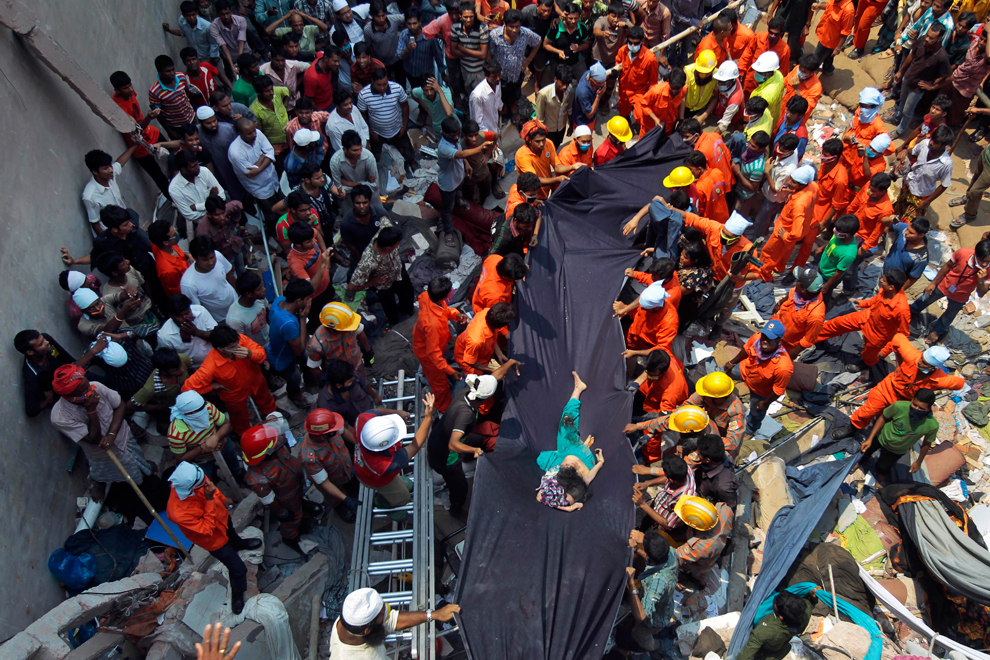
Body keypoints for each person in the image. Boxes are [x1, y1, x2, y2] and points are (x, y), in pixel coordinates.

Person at [167, 462, 261, 615]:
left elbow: (209, 485)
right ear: (190, 489)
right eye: (201, 485)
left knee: (232, 535)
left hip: (222, 518)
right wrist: (210, 500)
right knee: (238, 569)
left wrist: (222, 499)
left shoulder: (194, 476)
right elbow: (207, 530)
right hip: (214, 541)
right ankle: (237, 594)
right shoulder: (177, 513)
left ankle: (238, 543)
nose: (205, 483)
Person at [50, 365, 151, 484]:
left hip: (124, 437)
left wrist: (111, 435)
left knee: (138, 459)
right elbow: (93, 438)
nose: (90, 390)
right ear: (70, 395)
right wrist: (91, 411)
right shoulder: (60, 417)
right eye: (84, 390)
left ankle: (145, 471)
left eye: (88, 385)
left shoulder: (97, 387)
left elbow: (120, 405)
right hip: (103, 454)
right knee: (119, 476)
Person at [848, 338, 962, 434]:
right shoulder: (912, 355)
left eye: (924, 363)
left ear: (933, 368)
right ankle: (852, 427)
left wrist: (936, 387)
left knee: (893, 424)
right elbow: (898, 338)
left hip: (902, 402)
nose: (919, 362)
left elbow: (960, 383)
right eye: (921, 359)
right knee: (867, 411)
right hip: (887, 389)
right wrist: (885, 354)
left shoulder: (939, 379)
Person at [182, 324, 277, 432]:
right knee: (239, 418)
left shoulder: (239, 340)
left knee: (265, 400)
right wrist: (212, 386)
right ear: (220, 349)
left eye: (237, 344)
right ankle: (242, 433)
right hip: (235, 396)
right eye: (232, 347)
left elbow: (262, 355)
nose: (238, 347)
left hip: (256, 381)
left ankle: (272, 413)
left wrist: (250, 353)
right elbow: (187, 389)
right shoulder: (210, 366)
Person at [535, 372, 605, 512]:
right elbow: (588, 477)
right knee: (567, 421)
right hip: (581, 457)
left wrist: (568, 508)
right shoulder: (576, 485)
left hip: (567, 459)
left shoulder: (552, 485)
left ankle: (568, 449)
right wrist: (600, 462)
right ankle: (578, 389)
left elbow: (539, 497)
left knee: (541, 458)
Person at [818, 268, 911, 371]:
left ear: (891, 287)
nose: (881, 280)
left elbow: (902, 335)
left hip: (877, 336)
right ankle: (815, 335)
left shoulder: (902, 309)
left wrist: (885, 351)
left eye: (884, 281)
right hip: (867, 316)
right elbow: (876, 299)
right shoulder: (885, 290)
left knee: (869, 355)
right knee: (837, 323)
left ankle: (866, 363)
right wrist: (865, 303)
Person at [332, 588, 460, 659]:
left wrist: (433, 615)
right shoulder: (350, 656)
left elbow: (393, 620)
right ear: (367, 630)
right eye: (383, 615)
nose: (387, 614)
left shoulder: (350, 621)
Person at [354, 396, 433, 509]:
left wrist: (396, 413)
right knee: (403, 498)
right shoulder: (383, 464)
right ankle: (380, 502)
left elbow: (376, 412)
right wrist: (428, 418)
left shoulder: (362, 420)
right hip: (377, 481)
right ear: (383, 446)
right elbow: (414, 446)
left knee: (403, 484)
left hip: (362, 469)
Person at [724, 320, 793, 438]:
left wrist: (766, 403)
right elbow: (746, 350)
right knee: (722, 373)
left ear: (779, 341)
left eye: (770, 339)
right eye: (764, 337)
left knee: (756, 412)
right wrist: (732, 362)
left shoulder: (783, 367)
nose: (764, 341)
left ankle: (750, 429)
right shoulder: (757, 338)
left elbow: (778, 391)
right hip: (745, 370)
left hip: (760, 390)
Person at [912, 240, 990, 343]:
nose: (984, 264)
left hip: (961, 295)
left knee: (950, 314)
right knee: (926, 298)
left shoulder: (988, 270)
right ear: (976, 254)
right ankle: (912, 312)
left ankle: (936, 331)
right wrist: (933, 282)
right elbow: (948, 266)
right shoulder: (963, 253)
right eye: (982, 260)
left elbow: (981, 293)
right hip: (945, 284)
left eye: (988, 261)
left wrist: (981, 280)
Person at [15, 331, 106, 418]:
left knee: (106, 384)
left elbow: (69, 361)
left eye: (43, 339)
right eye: (41, 344)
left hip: (77, 377)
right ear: (30, 352)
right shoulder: (32, 374)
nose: (46, 342)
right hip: (66, 395)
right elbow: (31, 410)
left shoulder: (47, 341)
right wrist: (48, 400)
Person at [109, 72, 171, 198]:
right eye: (126, 88)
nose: (131, 89)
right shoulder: (120, 109)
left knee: (175, 155)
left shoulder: (130, 93)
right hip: (140, 147)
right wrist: (149, 117)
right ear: (117, 90)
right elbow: (137, 130)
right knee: (159, 178)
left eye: (130, 85)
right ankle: (176, 201)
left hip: (152, 133)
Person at [437, 117, 497, 245]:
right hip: (448, 184)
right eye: (453, 135)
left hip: (458, 179)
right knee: (447, 209)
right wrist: (480, 149)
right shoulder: (443, 147)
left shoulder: (453, 140)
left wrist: (466, 164)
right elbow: (461, 154)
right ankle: (448, 232)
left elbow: (460, 154)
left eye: (457, 134)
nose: (456, 137)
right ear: (445, 134)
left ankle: (458, 201)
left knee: (458, 196)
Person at [413, 277, 468, 413]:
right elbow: (434, 356)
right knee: (440, 386)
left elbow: (444, 310)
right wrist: (451, 372)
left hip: (424, 342)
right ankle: (445, 409)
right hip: (428, 355)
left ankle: (427, 373)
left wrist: (456, 315)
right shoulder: (433, 325)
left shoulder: (427, 297)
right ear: (446, 296)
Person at [889, 24, 951, 138]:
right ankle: (896, 118)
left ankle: (900, 131)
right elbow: (912, 55)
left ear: (939, 39)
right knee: (902, 101)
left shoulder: (942, 56)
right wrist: (901, 71)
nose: (927, 39)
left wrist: (932, 86)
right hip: (907, 78)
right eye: (927, 35)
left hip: (917, 88)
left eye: (931, 38)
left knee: (908, 111)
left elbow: (948, 78)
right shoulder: (922, 40)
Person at [348, 222, 413, 327]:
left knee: (408, 296)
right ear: (388, 248)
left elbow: (384, 219)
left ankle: (407, 311)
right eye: (397, 244)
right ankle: (395, 325)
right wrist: (372, 282)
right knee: (390, 310)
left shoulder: (384, 230)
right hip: (384, 287)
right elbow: (351, 287)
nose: (398, 245)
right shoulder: (368, 262)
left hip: (400, 274)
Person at [759, 164, 817, 281]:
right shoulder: (813, 186)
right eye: (791, 179)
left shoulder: (799, 204)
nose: (789, 182)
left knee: (769, 254)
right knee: (785, 251)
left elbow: (796, 233)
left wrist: (785, 235)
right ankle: (779, 267)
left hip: (784, 230)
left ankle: (765, 276)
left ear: (802, 185)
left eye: (793, 182)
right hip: (798, 228)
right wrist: (792, 190)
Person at [300, 409, 360, 523]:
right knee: (334, 498)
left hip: (346, 469)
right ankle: (340, 506)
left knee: (353, 484)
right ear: (322, 436)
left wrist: (359, 444)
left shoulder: (331, 427)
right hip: (332, 482)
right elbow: (325, 483)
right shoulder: (310, 456)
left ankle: (350, 487)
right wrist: (345, 499)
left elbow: (344, 432)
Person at [624, 529, 679, 653]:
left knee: (638, 634)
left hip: (655, 619)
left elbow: (641, 616)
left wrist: (631, 582)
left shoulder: (658, 582)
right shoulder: (670, 553)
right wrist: (638, 548)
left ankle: (660, 646)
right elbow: (654, 557)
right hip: (663, 603)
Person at [357, 68, 418, 178]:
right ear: (373, 81)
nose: (382, 88)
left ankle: (412, 163)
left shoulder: (397, 88)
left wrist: (404, 125)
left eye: (384, 84)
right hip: (377, 132)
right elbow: (362, 114)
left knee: (407, 149)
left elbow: (405, 106)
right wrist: (370, 132)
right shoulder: (364, 95)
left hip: (397, 128)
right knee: (376, 156)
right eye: (379, 85)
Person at [799, 137, 847, 268]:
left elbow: (837, 204)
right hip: (813, 201)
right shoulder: (827, 164)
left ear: (835, 157)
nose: (822, 157)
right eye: (823, 153)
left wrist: (825, 222)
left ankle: (799, 265)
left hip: (821, 211)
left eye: (826, 155)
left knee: (808, 242)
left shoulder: (840, 180)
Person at [268, 278, 316, 409]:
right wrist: (303, 318)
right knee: (294, 377)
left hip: (284, 347)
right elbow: (299, 351)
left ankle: (310, 379)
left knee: (307, 360)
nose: (310, 301)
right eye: (308, 299)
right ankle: (295, 395)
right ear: (298, 301)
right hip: (282, 358)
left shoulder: (279, 300)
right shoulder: (288, 323)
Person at [844, 173, 896, 291]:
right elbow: (855, 202)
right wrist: (845, 219)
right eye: (870, 188)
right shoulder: (869, 186)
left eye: (873, 190)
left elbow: (876, 233)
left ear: (882, 191)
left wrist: (864, 248)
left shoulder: (885, 209)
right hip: (851, 227)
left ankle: (849, 290)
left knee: (850, 268)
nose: (869, 191)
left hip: (862, 238)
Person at [228, 118, 282, 226]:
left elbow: (270, 151)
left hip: (273, 180)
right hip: (260, 188)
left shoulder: (258, 134)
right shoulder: (236, 152)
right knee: (271, 215)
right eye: (249, 133)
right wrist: (263, 156)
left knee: (282, 206)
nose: (254, 134)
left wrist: (259, 167)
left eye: (254, 131)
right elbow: (251, 173)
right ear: (239, 133)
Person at [895, 125, 953, 223]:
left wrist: (926, 202)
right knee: (897, 212)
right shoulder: (925, 144)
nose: (931, 142)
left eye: (935, 142)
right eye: (932, 139)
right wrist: (905, 152)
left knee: (908, 224)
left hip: (921, 196)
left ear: (943, 145)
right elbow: (913, 152)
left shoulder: (946, 164)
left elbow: (944, 185)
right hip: (908, 185)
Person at [737, 591, 814, 660]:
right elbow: (809, 604)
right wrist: (813, 598)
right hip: (779, 646)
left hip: (767, 647)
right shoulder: (805, 616)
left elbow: (743, 658)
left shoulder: (765, 630)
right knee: (786, 647)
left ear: (781, 617)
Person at [130, 348, 193, 431]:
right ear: (164, 372)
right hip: (174, 408)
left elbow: (192, 371)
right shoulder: (151, 387)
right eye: (175, 370)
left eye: (180, 365)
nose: (182, 370)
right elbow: (130, 406)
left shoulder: (181, 359)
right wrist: (159, 407)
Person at [751, 133, 800, 239]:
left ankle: (758, 237)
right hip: (767, 190)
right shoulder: (790, 150)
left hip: (772, 198)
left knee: (762, 219)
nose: (779, 150)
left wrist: (767, 172)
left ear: (791, 151)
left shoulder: (788, 170)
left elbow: (775, 189)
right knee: (765, 216)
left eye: (783, 150)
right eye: (779, 146)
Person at [516, 119, 581, 198]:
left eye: (543, 140)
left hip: (545, 192)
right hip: (531, 196)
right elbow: (534, 180)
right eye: (537, 141)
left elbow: (557, 167)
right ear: (529, 140)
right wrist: (557, 179)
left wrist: (573, 167)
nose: (541, 144)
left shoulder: (548, 143)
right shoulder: (522, 155)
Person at [633, 454, 696, 535]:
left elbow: (668, 525)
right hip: (659, 503)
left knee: (649, 536)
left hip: (662, 521)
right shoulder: (685, 470)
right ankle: (641, 529)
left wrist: (643, 504)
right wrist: (647, 483)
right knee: (646, 521)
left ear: (671, 480)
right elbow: (668, 477)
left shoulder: (684, 503)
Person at [80, 148, 137, 236]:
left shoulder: (110, 175)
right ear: (95, 172)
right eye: (105, 168)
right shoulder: (90, 196)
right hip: (114, 233)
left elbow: (120, 163)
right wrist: (111, 240)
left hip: (126, 223)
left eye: (110, 165)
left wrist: (134, 145)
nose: (111, 170)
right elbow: (95, 223)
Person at [181, 236, 238, 323]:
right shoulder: (188, 284)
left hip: (236, 305)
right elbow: (197, 310)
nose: (211, 262)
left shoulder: (218, 256)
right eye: (205, 260)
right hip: (220, 320)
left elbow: (229, 275)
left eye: (212, 257)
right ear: (195, 258)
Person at [772, 267, 825, 358]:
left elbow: (809, 338)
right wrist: (779, 303)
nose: (797, 281)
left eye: (799, 280)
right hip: (776, 326)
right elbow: (790, 295)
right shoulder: (798, 291)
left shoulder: (816, 316)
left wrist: (794, 352)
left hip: (787, 343)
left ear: (804, 289)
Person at [169, 150, 227, 234]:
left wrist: (197, 207)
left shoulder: (204, 171)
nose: (198, 167)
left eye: (197, 164)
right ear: (183, 169)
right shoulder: (174, 189)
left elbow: (222, 196)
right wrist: (213, 203)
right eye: (194, 166)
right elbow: (189, 215)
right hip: (203, 225)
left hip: (222, 216)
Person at [149, 55, 203, 140]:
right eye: (168, 71)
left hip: (192, 117)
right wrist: (169, 131)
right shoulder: (154, 91)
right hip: (176, 126)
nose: (172, 73)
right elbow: (158, 114)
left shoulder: (181, 77)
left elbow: (188, 93)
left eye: (173, 69)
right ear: (160, 72)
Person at [455, 302, 516, 374]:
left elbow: (492, 335)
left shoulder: (487, 312)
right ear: (500, 326)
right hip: (469, 361)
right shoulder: (476, 341)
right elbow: (470, 362)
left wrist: (499, 353)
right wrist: (491, 370)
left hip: (480, 354)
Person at [816, 214, 860, 308]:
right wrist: (822, 248)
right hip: (822, 266)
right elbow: (832, 241)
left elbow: (839, 272)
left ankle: (824, 307)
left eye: (838, 231)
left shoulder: (848, 253)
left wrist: (827, 285)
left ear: (847, 234)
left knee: (824, 295)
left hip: (829, 277)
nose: (835, 231)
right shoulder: (840, 235)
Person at [740, 17, 790, 95]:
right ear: (768, 29)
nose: (772, 36)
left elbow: (782, 72)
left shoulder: (784, 50)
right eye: (771, 32)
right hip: (750, 78)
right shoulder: (759, 37)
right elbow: (747, 54)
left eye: (776, 34)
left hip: (765, 85)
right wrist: (741, 70)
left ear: (781, 33)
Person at [632, 348, 689, 416]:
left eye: (652, 376)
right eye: (648, 373)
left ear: (663, 372)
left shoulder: (671, 393)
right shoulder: (663, 356)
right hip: (649, 391)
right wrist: (637, 382)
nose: (649, 377)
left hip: (658, 405)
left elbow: (665, 415)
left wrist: (647, 418)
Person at [544, 2, 591, 82]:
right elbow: (545, 44)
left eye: (576, 18)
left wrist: (579, 48)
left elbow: (587, 43)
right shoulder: (555, 27)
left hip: (576, 62)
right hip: (558, 63)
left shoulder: (582, 27)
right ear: (565, 16)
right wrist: (558, 52)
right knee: (555, 84)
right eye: (570, 18)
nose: (573, 21)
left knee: (585, 82)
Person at [331, 130, 381, 201]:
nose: (359, 152)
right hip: (348, 198)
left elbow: (375, 185)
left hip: (369, 196)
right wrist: (364, 183)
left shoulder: (368, 157)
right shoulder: (335, 161)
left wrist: (349, 184)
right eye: (355, 150)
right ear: (345, 149)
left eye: (360, 149)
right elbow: (339, 189)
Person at [884, 217, 930, 292]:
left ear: (921, 235)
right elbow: (889, 224)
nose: (906, 232)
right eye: (907, 229)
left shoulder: (921, 258)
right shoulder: (904, 228)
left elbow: (913, 278)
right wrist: (889, 220)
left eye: (911, 233)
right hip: (884, 273)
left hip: (892, 285)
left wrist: (899, 292)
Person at [683, 150, 729, 223]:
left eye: (690, 169)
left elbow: (699, 210)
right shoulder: (717, 172)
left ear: (699, 169)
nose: (689, 171)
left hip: (710, 222)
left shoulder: (699, 188)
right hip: (724, 217)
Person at [811, 0, 854, 75]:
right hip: (824, 33)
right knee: (829, 56)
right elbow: (829, 6)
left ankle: (810, 73)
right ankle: (828, 69)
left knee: (816, 58)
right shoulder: (834, 1)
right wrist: (819, 6)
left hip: (830, 41)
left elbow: (846, 31)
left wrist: (838, 48)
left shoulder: (848, 10)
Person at [535, 65, 574, 147]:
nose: (565, 86)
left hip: (561, 129)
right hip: (548, 131)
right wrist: (542, 136)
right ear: (555, 79)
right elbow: (540, 119)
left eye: (567, 84)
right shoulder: (543, 94)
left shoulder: (569, 91)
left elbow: (569, 109)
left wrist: (571, 126)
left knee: (556, 146)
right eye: (562, 83)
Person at [732, 130, 771, 213]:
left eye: (753, 146)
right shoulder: (750, 153)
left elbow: (752, 187)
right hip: (738, 188)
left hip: (743, 196)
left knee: (737, 213)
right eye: (749, 143)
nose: (749, 146)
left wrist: (738, 173)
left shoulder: (758, 168)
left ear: (762, 148)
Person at [781, 54, 822, 123]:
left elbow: (804, 110)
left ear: (812, 73)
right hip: (783, 110)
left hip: (793, 120)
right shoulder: (797, 69)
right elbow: (784, 81)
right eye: (800, 69)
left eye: (804, 72)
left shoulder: (816, 89)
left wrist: (797, 91)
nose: (800, 72)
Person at [706, 60, 744, 133]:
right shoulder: (731, 77)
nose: (720, 84)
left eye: (723, 82)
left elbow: (724, 124)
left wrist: (712, 137)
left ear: (732, 81)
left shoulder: (735, 100)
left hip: (730, 121)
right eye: (719, 81)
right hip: (718, 111)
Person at [469, 60, 504, 137]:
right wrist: (489, 137)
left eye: (499, 75)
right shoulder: (477, 95)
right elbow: (478, 122)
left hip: (495, 128)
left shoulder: (497, 84)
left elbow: (498, 102)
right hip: (485, 134)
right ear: (486, 76)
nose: (498, 78)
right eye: (494, 76)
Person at [750, 51, 786, 125]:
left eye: (760, 72)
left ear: (769, 73)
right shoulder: (778, 74)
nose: (756, 74)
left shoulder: (765, 95)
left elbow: (756, 114)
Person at [571, 62, 609, 129]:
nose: (599, 88)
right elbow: (589, 115)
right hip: (583, 123)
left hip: (592, 115)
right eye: (598, 86)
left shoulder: (589, 73)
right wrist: (598, 96)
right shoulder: (583, 92)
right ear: (591, 80)